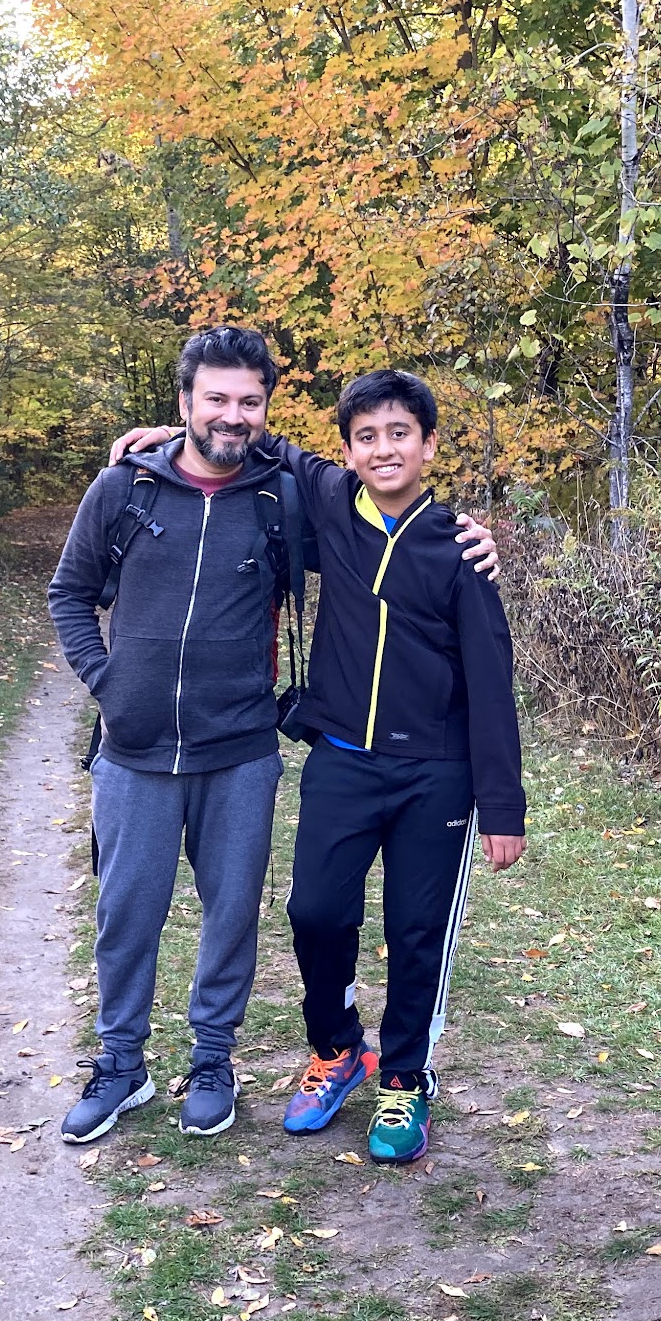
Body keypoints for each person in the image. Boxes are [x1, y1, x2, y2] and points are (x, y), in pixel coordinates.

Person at [47, 327, 497, 1143]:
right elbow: (69, 592)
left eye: (249, 401)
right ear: (184, 402)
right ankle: (122, 1066)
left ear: (266, 410)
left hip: (246, 747)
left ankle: (216, 1062)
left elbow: (381, 533)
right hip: (137, 750)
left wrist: (468, 538)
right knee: (129, 914)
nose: (232, 414)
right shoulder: (124, 489)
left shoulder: (280, 496)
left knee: (232, 919)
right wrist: (108, 682)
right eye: (215, 398)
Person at [268, 369, 526, 1163]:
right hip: (342, 762)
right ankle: (340, 1048)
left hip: (434, 778)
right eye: (367, 436)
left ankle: (406, 1081)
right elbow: (251, 440)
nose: (384, 448)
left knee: (417, 933)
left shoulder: (458, 550)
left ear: (428, 444)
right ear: (346, 450)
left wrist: (502, 805)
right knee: (314, 912)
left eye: (400, 433)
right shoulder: (327, 507)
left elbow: (491, 678)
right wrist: (160, 441)